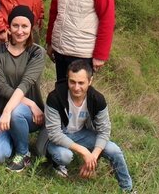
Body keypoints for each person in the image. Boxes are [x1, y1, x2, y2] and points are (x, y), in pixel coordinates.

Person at [44, 60, 134, 192]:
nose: (76, 87)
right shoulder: (55, 97)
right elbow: (54, 134)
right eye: (72, 82)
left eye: (81, 83)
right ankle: (57, 164)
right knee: (65, 156)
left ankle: (127, 189)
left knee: (114, 150)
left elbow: (104, 131)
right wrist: (84, 152)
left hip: (81, 134)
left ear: (90, 81)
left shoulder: (97, 99)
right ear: (67, 79)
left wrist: (93, 156)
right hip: (58, 136)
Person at [0, 5, 47, 172]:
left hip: (28, 115)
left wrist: (11, 110)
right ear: (9, 27)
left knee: (16, 111)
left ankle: (23, 153)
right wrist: (28, 103)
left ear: (31, 28)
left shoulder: (37, 52)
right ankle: (15, 136)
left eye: (25, 26)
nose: (20, 31)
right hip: (3, 111)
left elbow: (25, 83)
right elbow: (1, 86)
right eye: (15, 26)